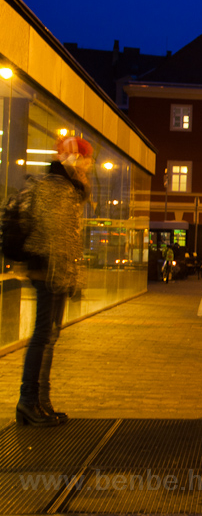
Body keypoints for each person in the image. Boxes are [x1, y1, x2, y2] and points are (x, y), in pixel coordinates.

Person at [16, 136, 93, 426]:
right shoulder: (57, 187)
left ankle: (40, 401)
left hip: (56, 272)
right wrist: (66, 274)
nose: (87, 165)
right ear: (73, 158)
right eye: (84, 159)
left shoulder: (70, 188)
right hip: (49, 272)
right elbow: (58, 236)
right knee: (42, 338)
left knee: (49, 339)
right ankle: (28, 401)